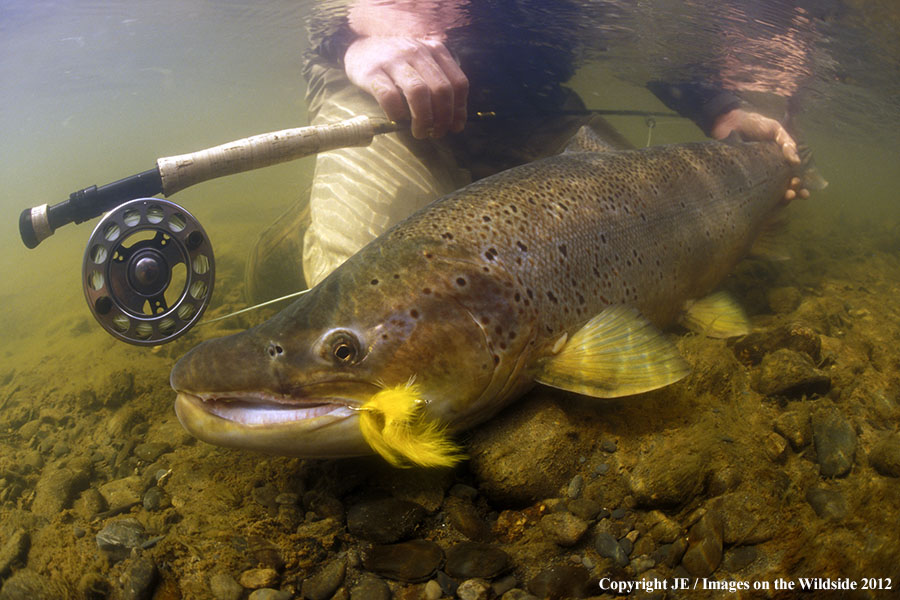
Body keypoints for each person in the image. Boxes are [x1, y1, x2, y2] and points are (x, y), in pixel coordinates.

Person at [246, 0, 810, 301]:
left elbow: (646, 38)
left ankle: (461, 193)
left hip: (529, 106)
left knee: (653, 234)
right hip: (385, 93)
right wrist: (358, 35)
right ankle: (306, 224)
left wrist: (722, 112)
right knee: (371, 314)